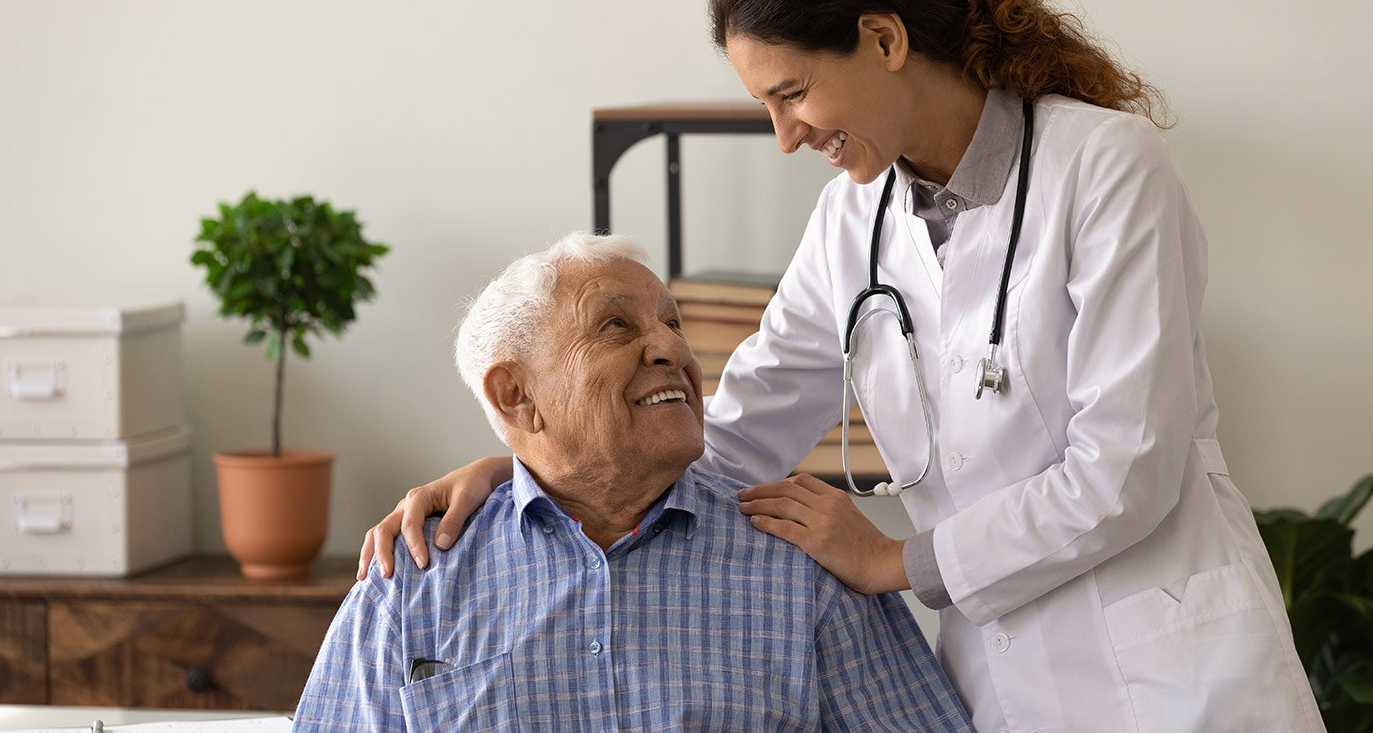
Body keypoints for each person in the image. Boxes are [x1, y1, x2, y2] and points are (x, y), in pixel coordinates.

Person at [360, 0, 1323, 731]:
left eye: (793, 94)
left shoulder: (1105, 169)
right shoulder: (852, 219)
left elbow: (1128, 471)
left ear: (886, 39)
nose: (785, 137)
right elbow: (734, 438)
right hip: (1004, 685)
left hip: (1173, 675)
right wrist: (536, 464)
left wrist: (894, 560)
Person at [297, 232, 973, 731]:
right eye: (616, 325)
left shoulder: (802, 562)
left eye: (674, 324)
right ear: (515, 397)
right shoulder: (410, 583)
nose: (673, 348)